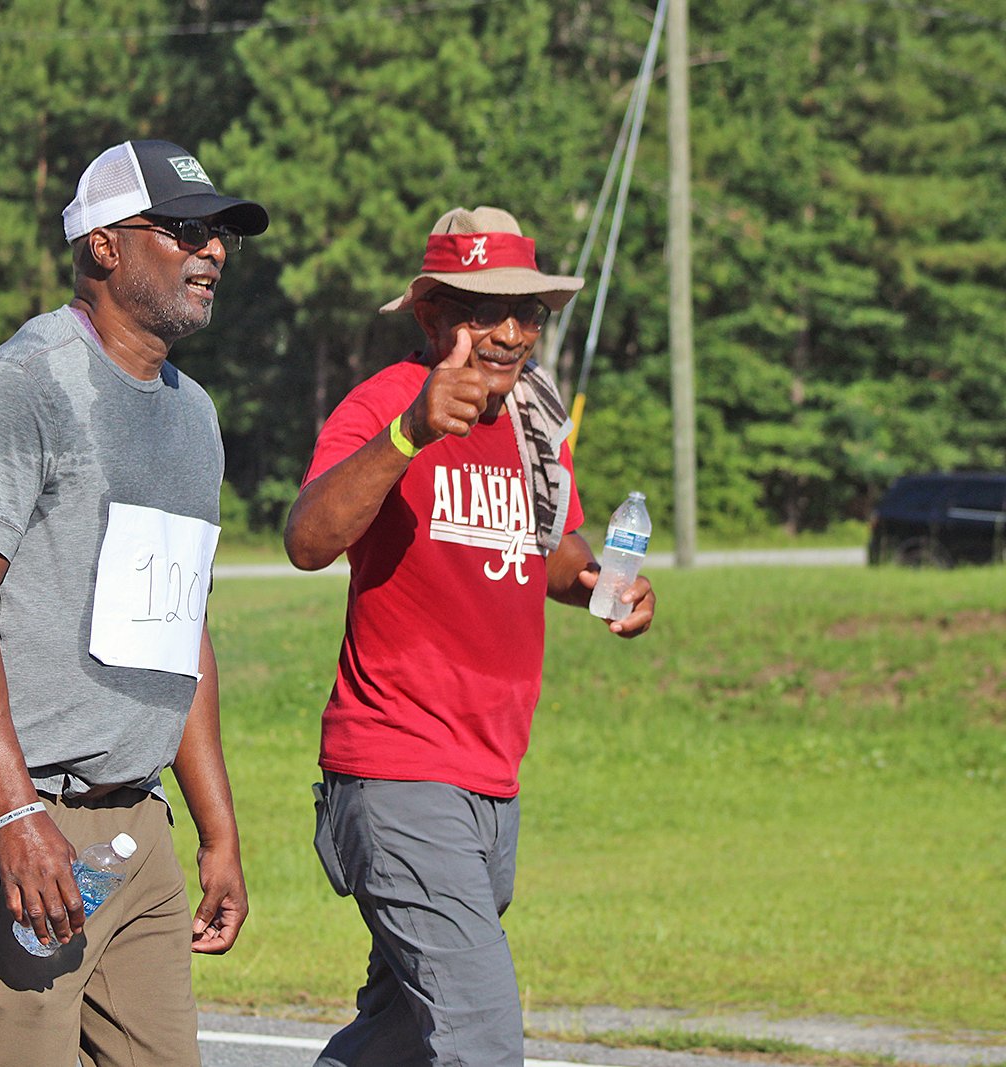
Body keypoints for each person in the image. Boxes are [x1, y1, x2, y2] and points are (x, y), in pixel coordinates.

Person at [0, 139, 267, 1067]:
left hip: (136, 826)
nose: (215, 251)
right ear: (104, 245)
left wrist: (218, 830)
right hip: (27, 826)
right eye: (187, 230)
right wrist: (16, 815)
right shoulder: (24, 383)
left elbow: (178, 627)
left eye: (221, 234)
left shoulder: (194, 415)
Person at [284, 206, 656, 1067]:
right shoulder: (382, 407)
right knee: (481, 1031)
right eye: (484, 309)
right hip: (397, 768)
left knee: (407, 1030)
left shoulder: (534, 423)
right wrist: (409, 433)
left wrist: (602, 586)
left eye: (528, 311)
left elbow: (551, 549)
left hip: (492, 775)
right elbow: (308, 540)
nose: (511, 332)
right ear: (432, 315)